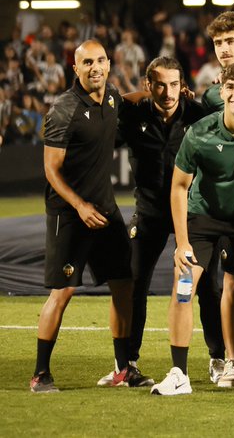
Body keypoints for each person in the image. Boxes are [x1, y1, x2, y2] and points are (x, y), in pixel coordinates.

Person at [151, 62, 234, 395]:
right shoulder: (199, 133)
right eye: (231, 87)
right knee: (183, 287)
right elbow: (179, 187)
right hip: (205, 217)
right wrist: (182, 242)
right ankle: (179, 374)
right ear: (221, 91)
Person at [32, 41, 145, 393]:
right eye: (87, 62)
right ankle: (40, 374)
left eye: (100, 61)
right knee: (62, 292)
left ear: (109, 64)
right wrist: (79, 206)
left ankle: (123, 369)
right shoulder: (63, 109)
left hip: (106, 213)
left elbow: (126, 100)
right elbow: (51, 170)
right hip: (70, 215)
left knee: (123, 287)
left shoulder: (110, 96)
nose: (95, 67)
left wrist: (149, 93)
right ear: (75, 68)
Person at [111, 57, 221, 387]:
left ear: (182, 85)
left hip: (193, 212)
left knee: (209, 287)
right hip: (150, 212)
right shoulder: (134, 115)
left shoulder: (198, 114)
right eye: (160, 84)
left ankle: (218, 358)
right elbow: (110, 109)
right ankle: (127, 362)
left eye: (174, 84)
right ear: (148, 86)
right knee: (134, 283)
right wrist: (133, 96)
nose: (168, 91)